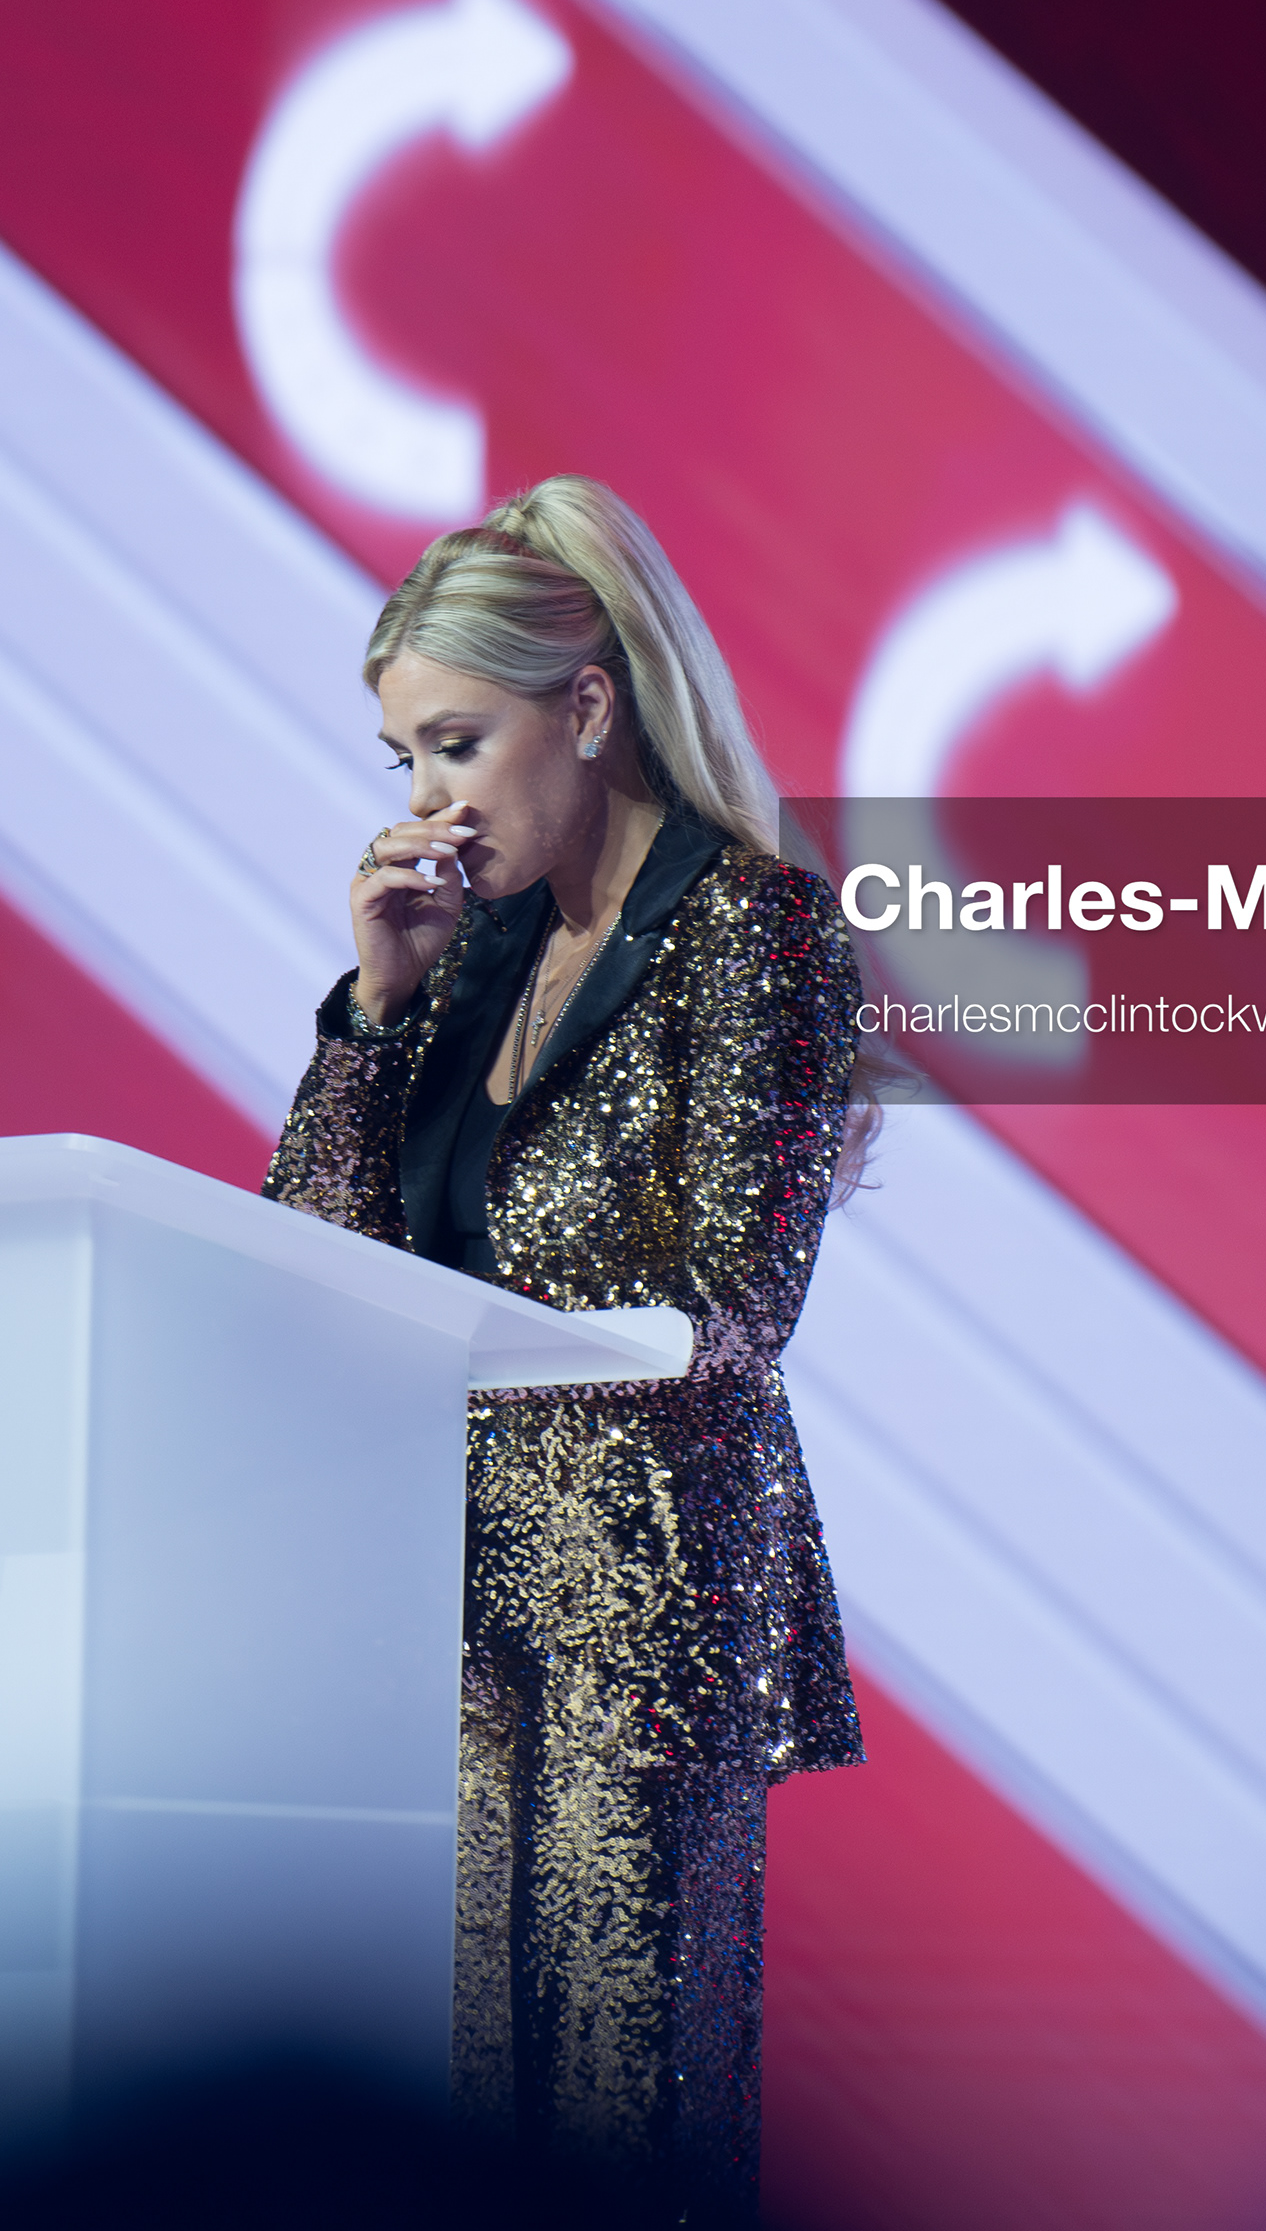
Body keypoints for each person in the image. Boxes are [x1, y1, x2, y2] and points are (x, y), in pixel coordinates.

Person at [263, 477, 864, 2209]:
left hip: (639, 1615)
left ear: (587, 705)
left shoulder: (749, 928)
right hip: (434, 1619)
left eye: (460, 742)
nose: (431, 801)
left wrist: (503, 1330)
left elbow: (741, 1303)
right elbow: (313, 1268)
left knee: (615, 2140)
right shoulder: (460, 957)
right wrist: (371, 1012)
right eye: (407, 763)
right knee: (442, 2139)